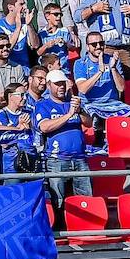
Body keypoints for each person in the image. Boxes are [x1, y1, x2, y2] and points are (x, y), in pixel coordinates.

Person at [33, 68, 92, 210]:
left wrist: (80, 111)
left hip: (79, 158)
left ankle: (86, 229)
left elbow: (89, 123)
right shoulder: (42, 105)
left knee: (86, 201)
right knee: (57, 202)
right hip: (57, 159)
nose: (61, 87)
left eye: (63, 84)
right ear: (49, 85)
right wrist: (69, 114)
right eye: (57, 84)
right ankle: (60, 230)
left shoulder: (72, 102)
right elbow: (44, 127)